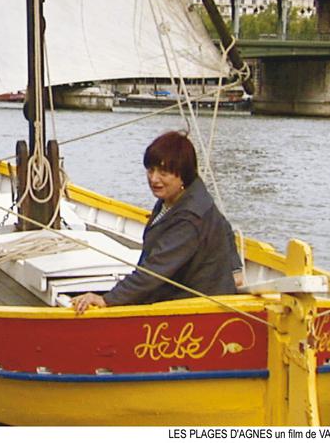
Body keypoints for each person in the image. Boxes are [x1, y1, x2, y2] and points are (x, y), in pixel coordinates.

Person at [72, 131, 241, 313]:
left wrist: (107, 300)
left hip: (195, 308)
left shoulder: (189, 217)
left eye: (164, 172)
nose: (154, 179)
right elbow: (224, 227)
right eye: (151, 170)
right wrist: (235, 268)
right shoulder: (183, 197)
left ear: (182, 175)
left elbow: (155, 270)